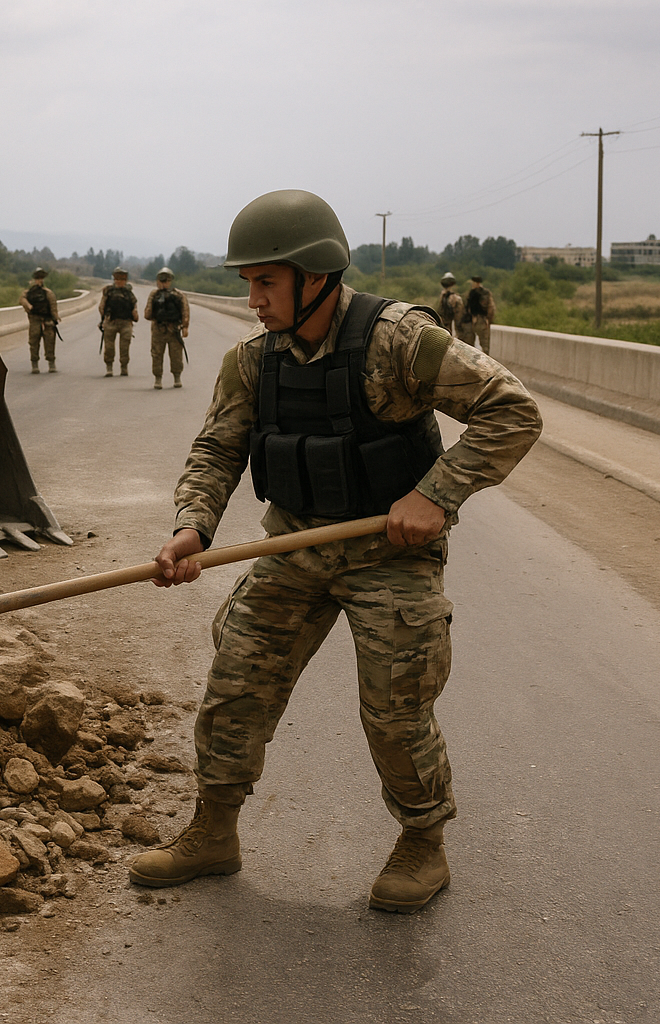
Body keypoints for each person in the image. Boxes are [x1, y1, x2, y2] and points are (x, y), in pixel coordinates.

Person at [127, 189, 542, 914]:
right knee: (235, 686)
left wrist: (436, 495)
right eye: (247, 283)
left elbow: (513, 410)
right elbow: (218, 447)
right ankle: (214, 831)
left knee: (394, 708)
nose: (253, 299)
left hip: (390, 554)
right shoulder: (254, 360)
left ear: (314, 276)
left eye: (266, 282)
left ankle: (423, 842)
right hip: (295, 543)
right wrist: (193, 525)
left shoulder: (401, 340)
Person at [145, 267, 190, 389]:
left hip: (173, 329)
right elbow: (147, 314)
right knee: (157, 354)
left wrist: (185, 327)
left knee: (176, 355)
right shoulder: (154, 295)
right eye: (162, 280)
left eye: (166, 280)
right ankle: (158, 378)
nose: (164, 283)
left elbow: (185, 311)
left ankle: (177, 377)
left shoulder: (178, 295)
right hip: (158, 330)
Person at [98, 267, 140, 377]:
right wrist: (103, 319)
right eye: (117, 279)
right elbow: (102, 306)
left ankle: (124, 367)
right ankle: (109, 367)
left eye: (121, 279)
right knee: (109, 347)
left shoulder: (128, 293)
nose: (119, 281)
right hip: (111, 322)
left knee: (124, 347)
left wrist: (135, 315)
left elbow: (134, 307)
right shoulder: (108, 292)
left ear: (125, 280)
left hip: (125, 323)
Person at [19, 268, 61, 374]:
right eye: (38, 278)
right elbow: (22, 300)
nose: (40, 280)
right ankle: (34, 363)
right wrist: (29, 306)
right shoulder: (28, 293)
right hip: (35, 320)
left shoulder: (48, 293)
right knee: (34, 342)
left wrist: (55, 318)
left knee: (50, 342)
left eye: (41, 278)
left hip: (47, 320)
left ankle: (51, 362)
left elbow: (53, 306)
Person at [463, 275, 496, 355]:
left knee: (469, 346)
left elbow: (466, 308)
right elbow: (491, 308)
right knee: (485, 344)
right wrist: (489, 320)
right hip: (482, 320)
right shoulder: (486, 293)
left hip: (472, 320)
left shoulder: (470, 293)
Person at [435, 271, 465, 337]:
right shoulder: (443, 296)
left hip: (448, 319)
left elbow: (459, 316)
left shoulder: (452, 297)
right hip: (445, 319)